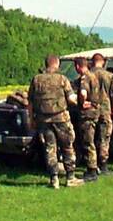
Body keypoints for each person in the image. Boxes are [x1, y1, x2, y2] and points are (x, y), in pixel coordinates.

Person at [28, 54, 80, 188]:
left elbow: (30, 102)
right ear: (57, 64)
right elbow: (70, 98)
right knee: (67, 146)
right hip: (61, 118)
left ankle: (54, 179)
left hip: (43, 120)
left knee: (50, 148)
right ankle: (70, 177)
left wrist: (31, 119)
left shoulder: (36, 79)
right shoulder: (62, 79)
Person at [72, 57, 105, 182]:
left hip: (87, 114)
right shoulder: (94, 77)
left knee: (87, 141)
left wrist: (81, 102)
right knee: (92, 140)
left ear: (77, 66)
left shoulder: (85, 78)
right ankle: (94, 167)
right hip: (96, 111)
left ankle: (91, 170)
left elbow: (83, 93)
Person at [91, 52, 113, 176]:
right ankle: (103, 166)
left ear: (92, 62)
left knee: (91, 138)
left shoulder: (87, 75)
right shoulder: (109, 76)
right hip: (105, 110)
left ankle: (92, 165)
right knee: (104, 138)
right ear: (103, 62)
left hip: (90, 111)